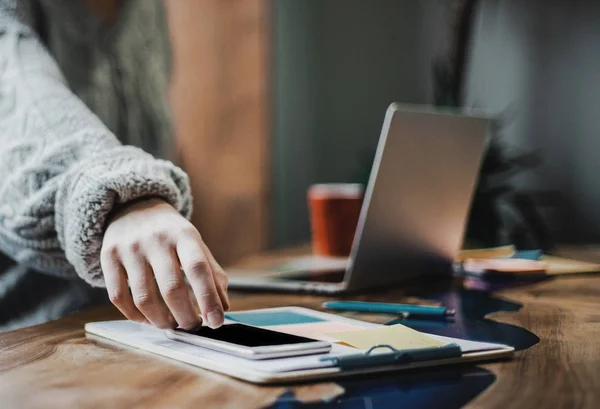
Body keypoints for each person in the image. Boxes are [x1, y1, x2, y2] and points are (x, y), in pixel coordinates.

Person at [0, 0, 228, 332]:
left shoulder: (147, 9)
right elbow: (19, 93)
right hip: (27, 337)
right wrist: (125, 198)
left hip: (142, 330)